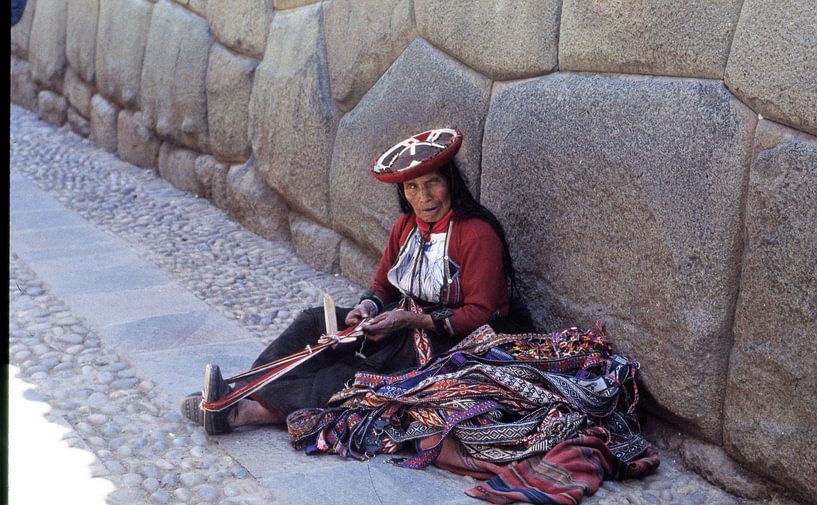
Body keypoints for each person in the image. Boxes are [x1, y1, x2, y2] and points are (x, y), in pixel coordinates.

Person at [181, 127, 533, 435]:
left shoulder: (477, 234)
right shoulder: (405, 227)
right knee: (316, 323)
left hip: (460, 337)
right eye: (412, 187)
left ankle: (244, 413)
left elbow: (481, 313)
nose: (423, 197)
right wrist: (367, 307)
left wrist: (411, 320)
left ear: (450, 184)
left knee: (366, 364)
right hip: (405, 318)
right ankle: (241, 388)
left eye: (433, 183)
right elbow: (383, 287)